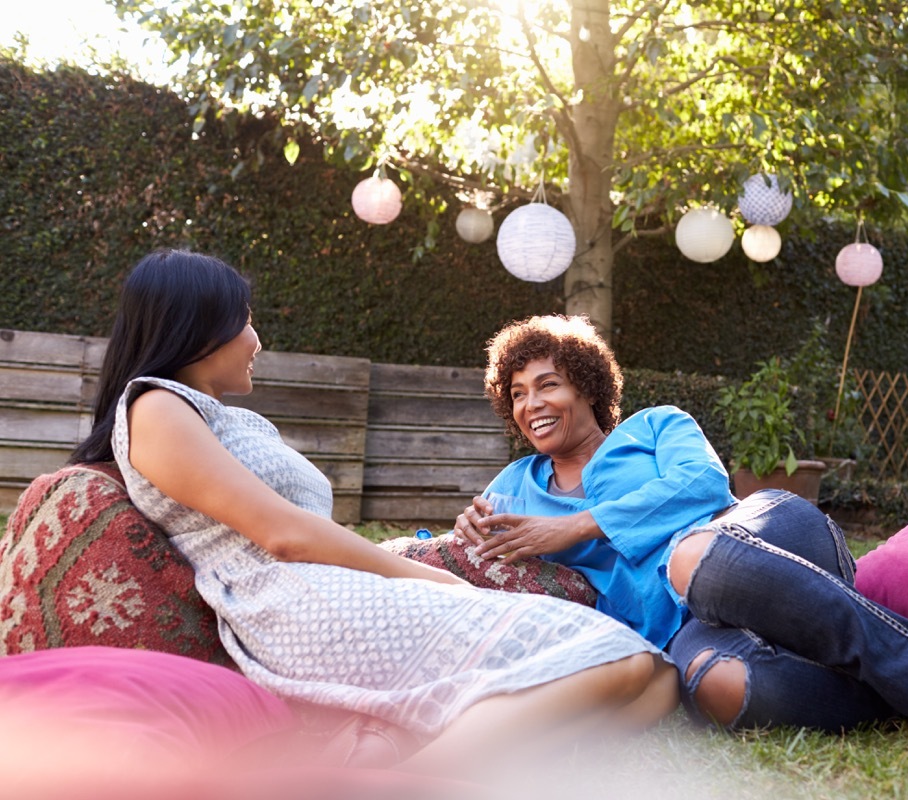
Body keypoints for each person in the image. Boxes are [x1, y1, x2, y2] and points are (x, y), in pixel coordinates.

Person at [69, 251, 678, 776]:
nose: (257, 340)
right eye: (246, 322)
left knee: (659, 681)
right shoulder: (156, 406)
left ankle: (472, 758)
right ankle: (390, 781)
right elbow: (282, 536)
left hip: (332, 590)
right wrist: (431, 576)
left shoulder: (209, 415)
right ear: (199, 327)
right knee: (622, 661)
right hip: (298, 606)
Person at [454, 314, 908, 772]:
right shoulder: (516, 484)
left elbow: (703, 485)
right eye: (516, 393)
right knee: (721, 688)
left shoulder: (655, 426)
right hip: (682, 627)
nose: (530, 403)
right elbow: (464, 552)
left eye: (547, 384)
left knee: (687, 557)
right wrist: (461, 537)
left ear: (587, 387)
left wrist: (575, 526)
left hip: (763, 536)